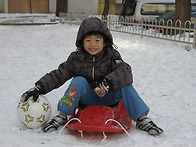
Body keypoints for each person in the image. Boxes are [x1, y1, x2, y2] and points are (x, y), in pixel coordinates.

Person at [21, 17, 163, 136]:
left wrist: (108, 83)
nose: (92, 44)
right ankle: (62, 115)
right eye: (88, 40)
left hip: (108, 97)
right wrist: (39, 87)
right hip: (87, 99)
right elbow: (59, 74)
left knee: (125, 84)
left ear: (104, 42)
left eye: (97, 40)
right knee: (78, 81)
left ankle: (141, 118)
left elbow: (125, 70)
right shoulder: (76, 58)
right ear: (82, 42)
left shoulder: (111, 56)